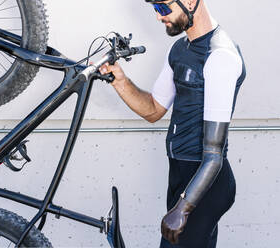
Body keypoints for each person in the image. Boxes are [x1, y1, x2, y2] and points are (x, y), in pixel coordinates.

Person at [99, 0, 246, 247]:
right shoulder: (179, 49)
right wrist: (119, 81)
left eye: (163, 8)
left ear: (189, 2)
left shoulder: (220, 56)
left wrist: (184, 208)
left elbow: (214, 156)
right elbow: (154, 109)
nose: (158, 17)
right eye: (155, 9)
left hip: (205, 183)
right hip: (181, 174)